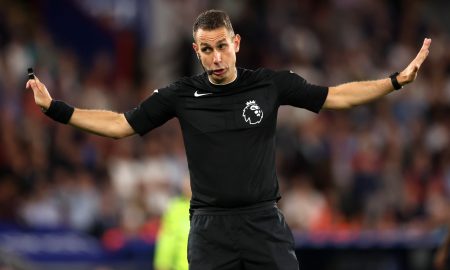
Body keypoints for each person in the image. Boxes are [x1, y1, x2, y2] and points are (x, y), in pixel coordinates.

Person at [26, 9, 431, 270]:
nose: (216, 57)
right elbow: (120, 124)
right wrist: (55, 108)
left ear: (235, 44)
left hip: (263, 224)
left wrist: (395, 81)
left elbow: (336, 96)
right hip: (209, 230)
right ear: (196, 51)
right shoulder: (181, 94)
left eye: (222, 46)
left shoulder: (270, 85)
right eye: (207, 50)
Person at [153, 176, 191, 270]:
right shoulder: (174, 207)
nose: (186, 185)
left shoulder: (211, 208)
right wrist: (162, 263)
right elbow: (167, 238)